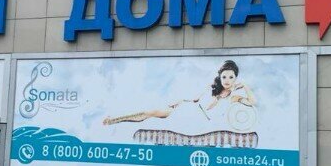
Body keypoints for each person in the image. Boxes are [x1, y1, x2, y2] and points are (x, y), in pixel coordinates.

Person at [102, 60, 255, 126]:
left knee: (153, 112)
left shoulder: (234, 97)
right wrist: (180, 101)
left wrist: (246, 86)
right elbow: (195, 100)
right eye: (224, 77)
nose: (227, 80)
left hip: (199, 119)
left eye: (231, 77)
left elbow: (252, 102)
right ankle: (114, 120)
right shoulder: (211, 87)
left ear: (236, 78)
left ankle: (113, 120)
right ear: (220, 77)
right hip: (189, 110)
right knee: (151, 112)